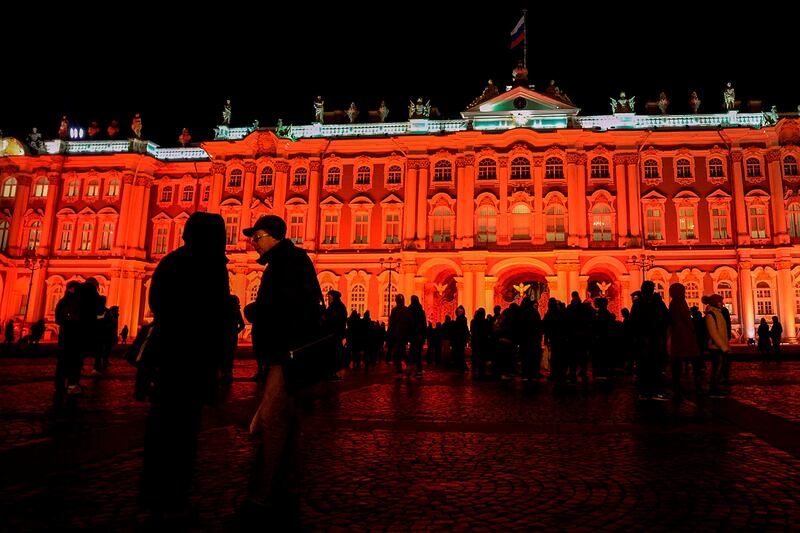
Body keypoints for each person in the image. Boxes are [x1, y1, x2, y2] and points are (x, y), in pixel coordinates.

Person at [140, 212, 231, 523]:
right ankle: (175, 499)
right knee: (183, 432)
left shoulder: (169, 262)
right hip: (193, 357)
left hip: (167, 353)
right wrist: (218, 361)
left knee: (160, 428)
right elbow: (217, 314)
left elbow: (157, 303)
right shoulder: (212, 266)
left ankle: (152, 498)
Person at [241, 214, 323, 521]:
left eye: (258, 237)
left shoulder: (286, 262)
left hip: (286, 354)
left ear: (273, 236)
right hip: (288, 353)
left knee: (273, 422)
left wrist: (255, 310)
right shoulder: (291, 260)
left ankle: (261, 495)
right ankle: (289, 486)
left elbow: (289, 305)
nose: (254, 243)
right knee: (287, 422)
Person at [705, 294, 730, 396]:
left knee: (720, 367)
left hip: (720, 346)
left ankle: (716, 387)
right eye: (720, 302)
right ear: (716, 302)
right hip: (715, 347)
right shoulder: (711, 315)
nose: (722, 303)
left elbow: (722, 332)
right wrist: (724, 347)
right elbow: (713, 333)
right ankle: (713, 388)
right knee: (717, 368)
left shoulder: (718, 313)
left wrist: (726, 345)